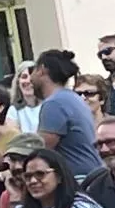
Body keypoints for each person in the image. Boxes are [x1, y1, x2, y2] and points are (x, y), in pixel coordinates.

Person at [30, 48, 103, 178]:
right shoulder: (72, 98)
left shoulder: (54, 104)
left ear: (42, 69)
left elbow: (42, 151)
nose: (30, 78)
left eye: (33, 71)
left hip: (79, 180)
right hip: (93, 175)